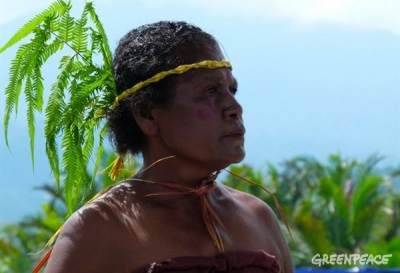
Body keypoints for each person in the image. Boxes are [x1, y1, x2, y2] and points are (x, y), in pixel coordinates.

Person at [44, 21, 293, 272]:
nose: (234, 108)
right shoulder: (99, 228)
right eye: (210, 90)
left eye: (232, 90)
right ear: (147, 114)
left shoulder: (258, 217)